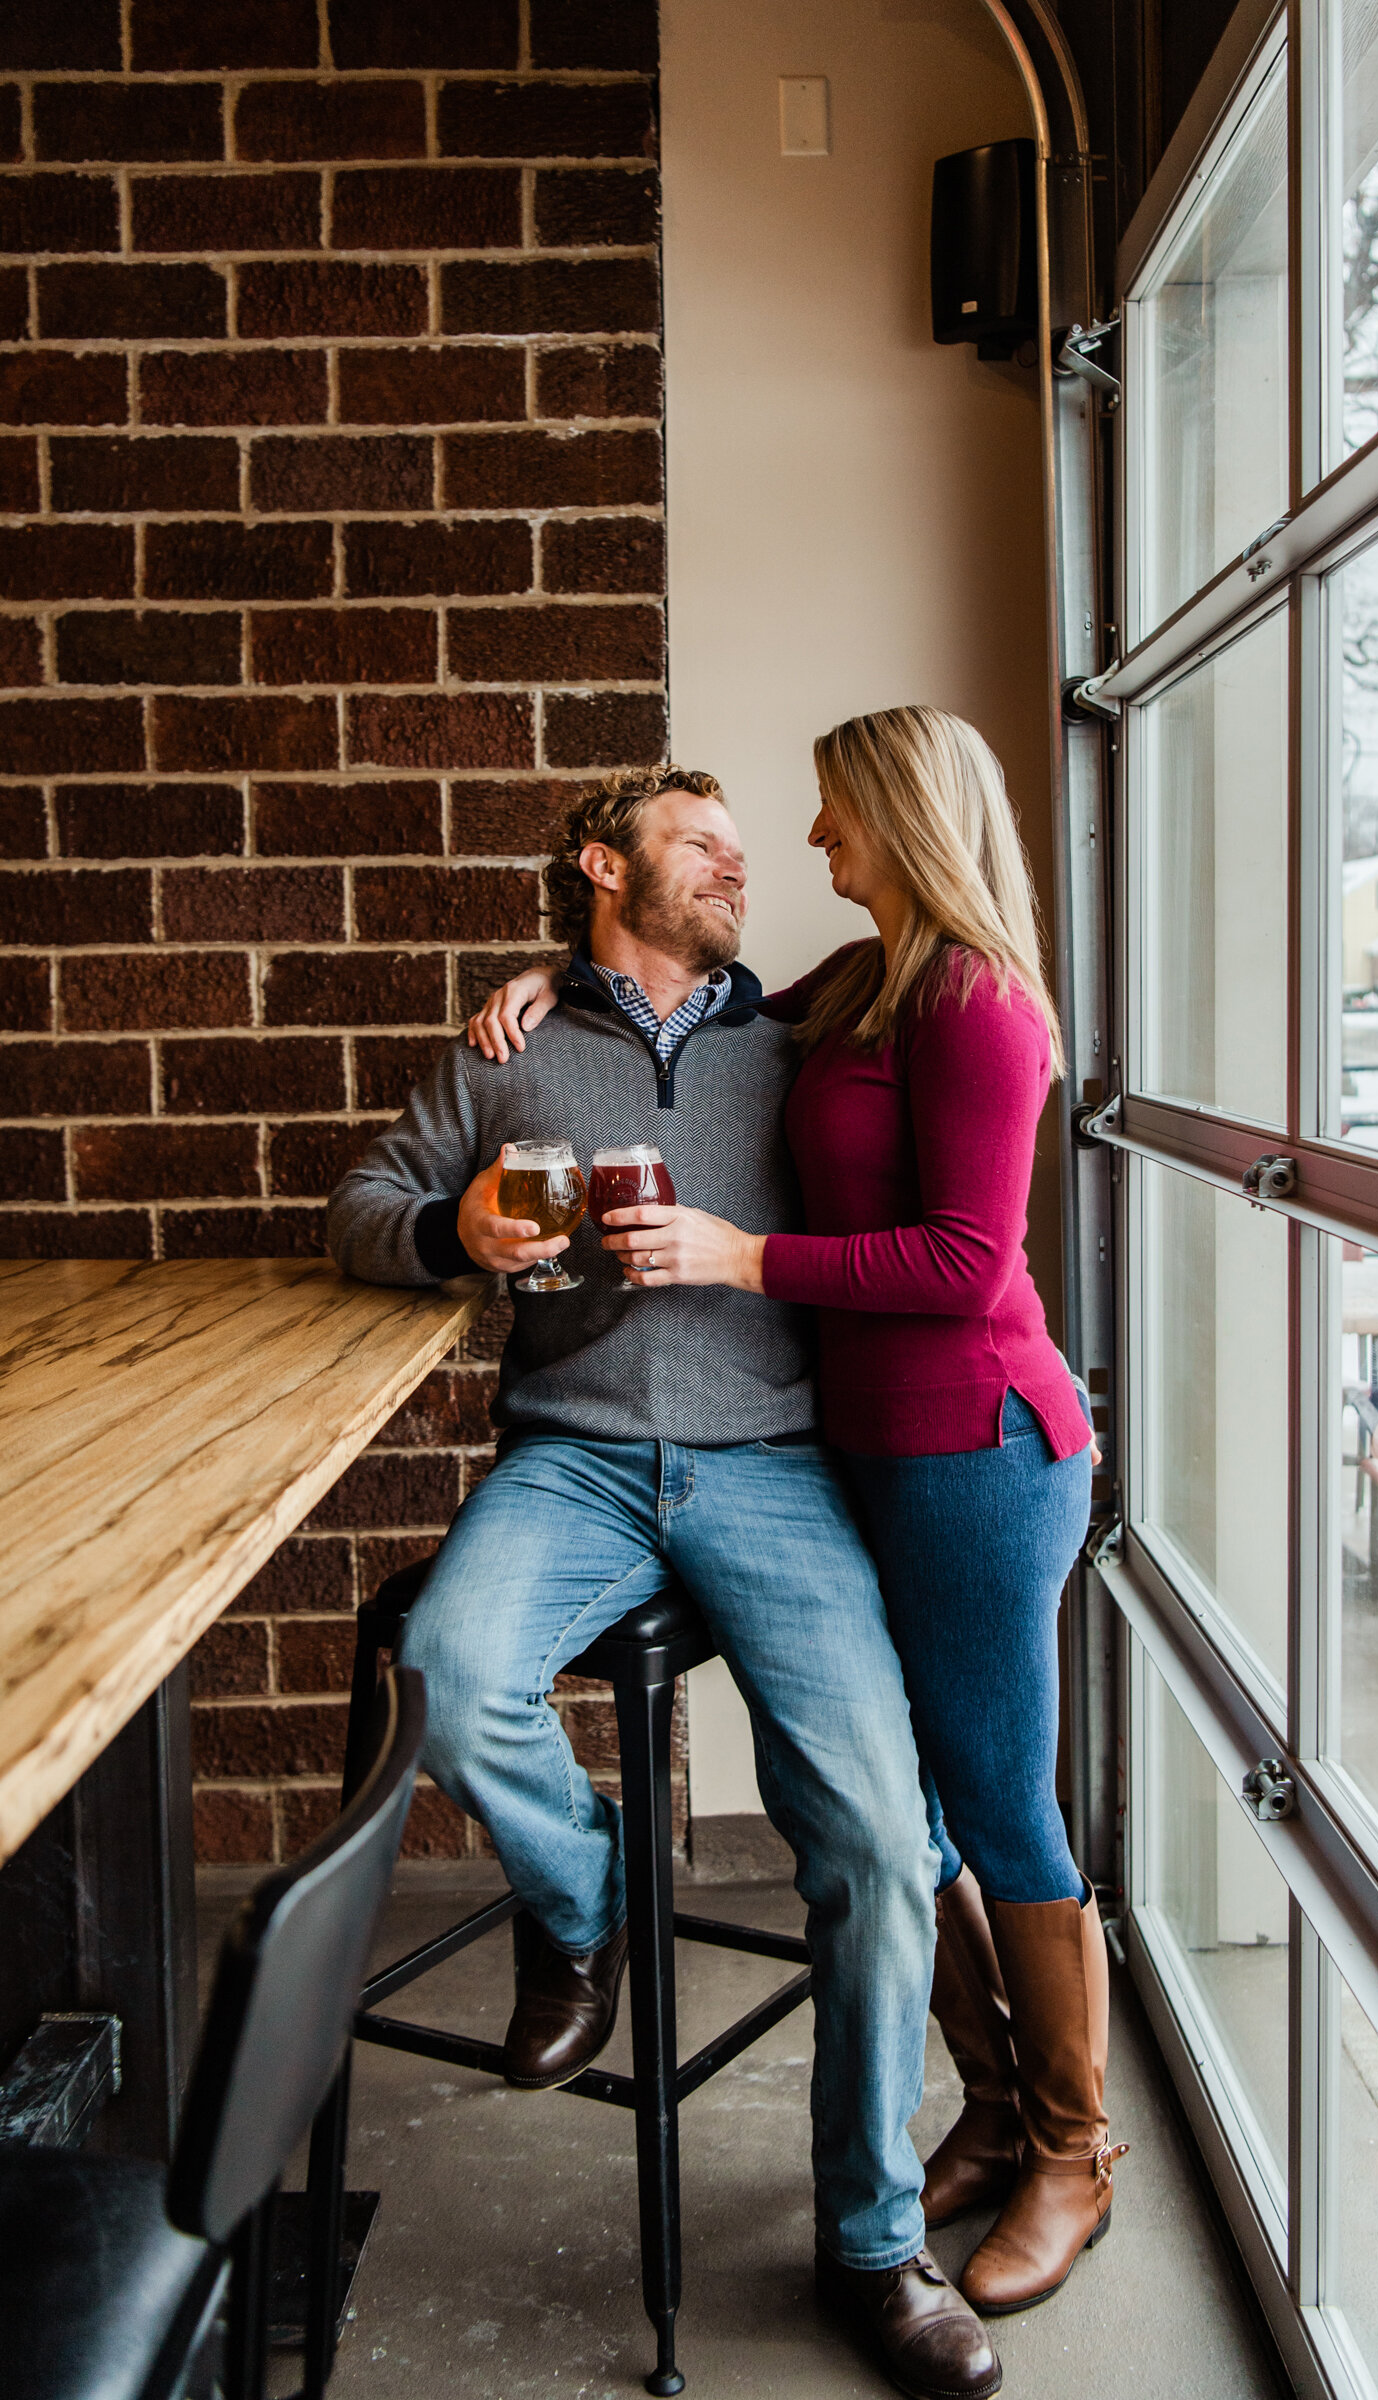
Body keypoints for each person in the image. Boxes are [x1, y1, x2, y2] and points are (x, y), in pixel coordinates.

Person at [327, 766, 1000, 2400]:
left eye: (745, 849)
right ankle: (585, 1909)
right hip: (569, 1454)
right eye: (701, 843)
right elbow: (357, 1208)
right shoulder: (515, 1046)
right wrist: (455, 1232)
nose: (740, 867)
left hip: (772, 1462)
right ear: (600, 866)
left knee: (865, 1835)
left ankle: (870, 2242)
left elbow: (951, 1047)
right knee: (456, 1675)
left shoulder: (804, 1041)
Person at [469, 707, 1122, 2320]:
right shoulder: (862, 984)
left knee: (989, 1796)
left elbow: (967, 1263)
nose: (809, 850)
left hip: (975, 1442)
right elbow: (685, 994)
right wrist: (556, 976)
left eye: (832, 820)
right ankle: (985, 2106)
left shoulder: (975, 1001)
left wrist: (741, 1256)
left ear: (903, 818)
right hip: (870, 1455)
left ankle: (1072, 2152)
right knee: (928, 1805)